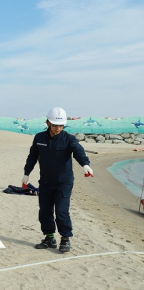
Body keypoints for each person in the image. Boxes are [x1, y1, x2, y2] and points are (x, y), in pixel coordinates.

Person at [22, 107, 92, 253]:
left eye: (61, 125)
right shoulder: (39, 138)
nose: (58, 128)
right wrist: (26, 173)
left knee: (61, 211)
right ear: (47, 122)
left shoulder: (69, 139)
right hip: (46, 182)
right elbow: (33, 156)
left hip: (63, 183)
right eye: (55, 125)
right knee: (45, 212)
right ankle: (49, 238)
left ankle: (65, 238)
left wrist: (85, 164)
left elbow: (79, 152)